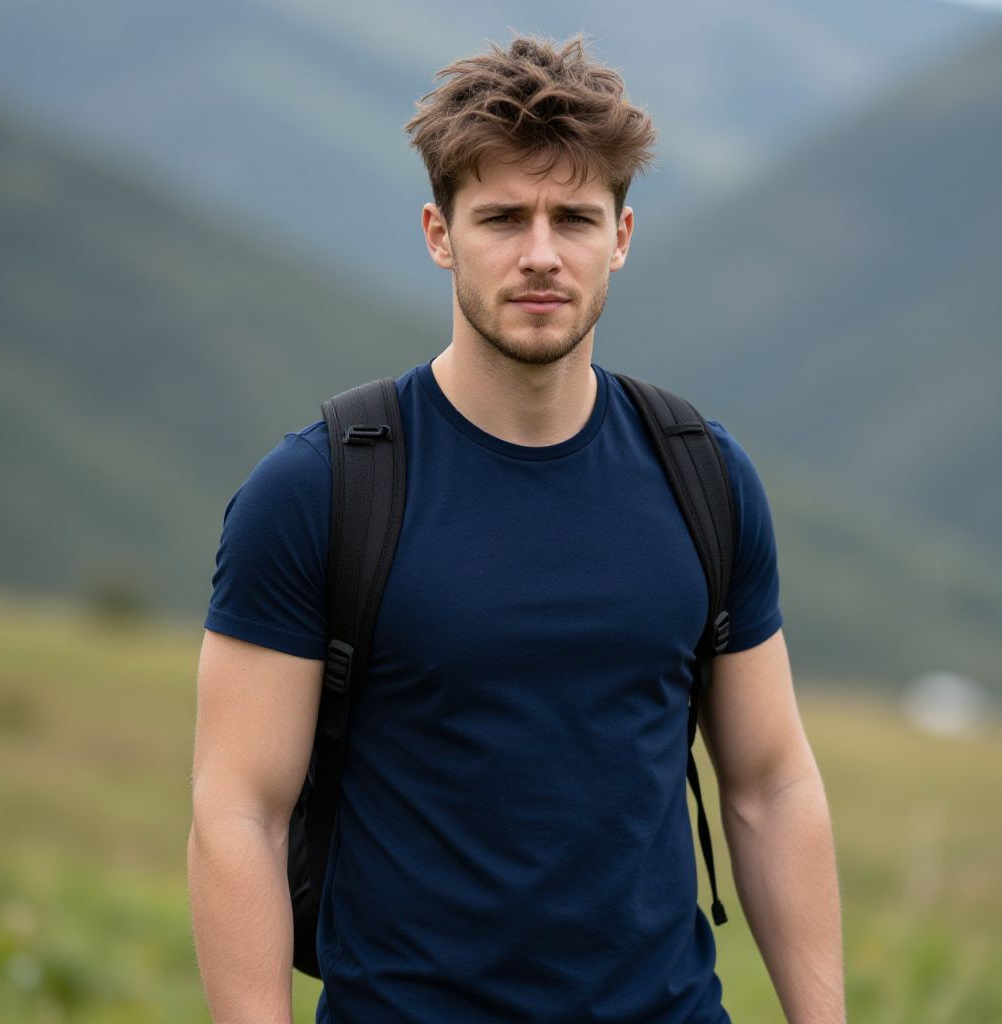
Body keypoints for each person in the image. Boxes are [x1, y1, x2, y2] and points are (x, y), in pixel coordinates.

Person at [188, 34, 845, 1024]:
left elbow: (768, 782)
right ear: (438, 232)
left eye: (574, 217)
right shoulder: (320, 488)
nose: (541, 253)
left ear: (620, 235)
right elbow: (236, 810)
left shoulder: (703, 476)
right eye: (501, 217)